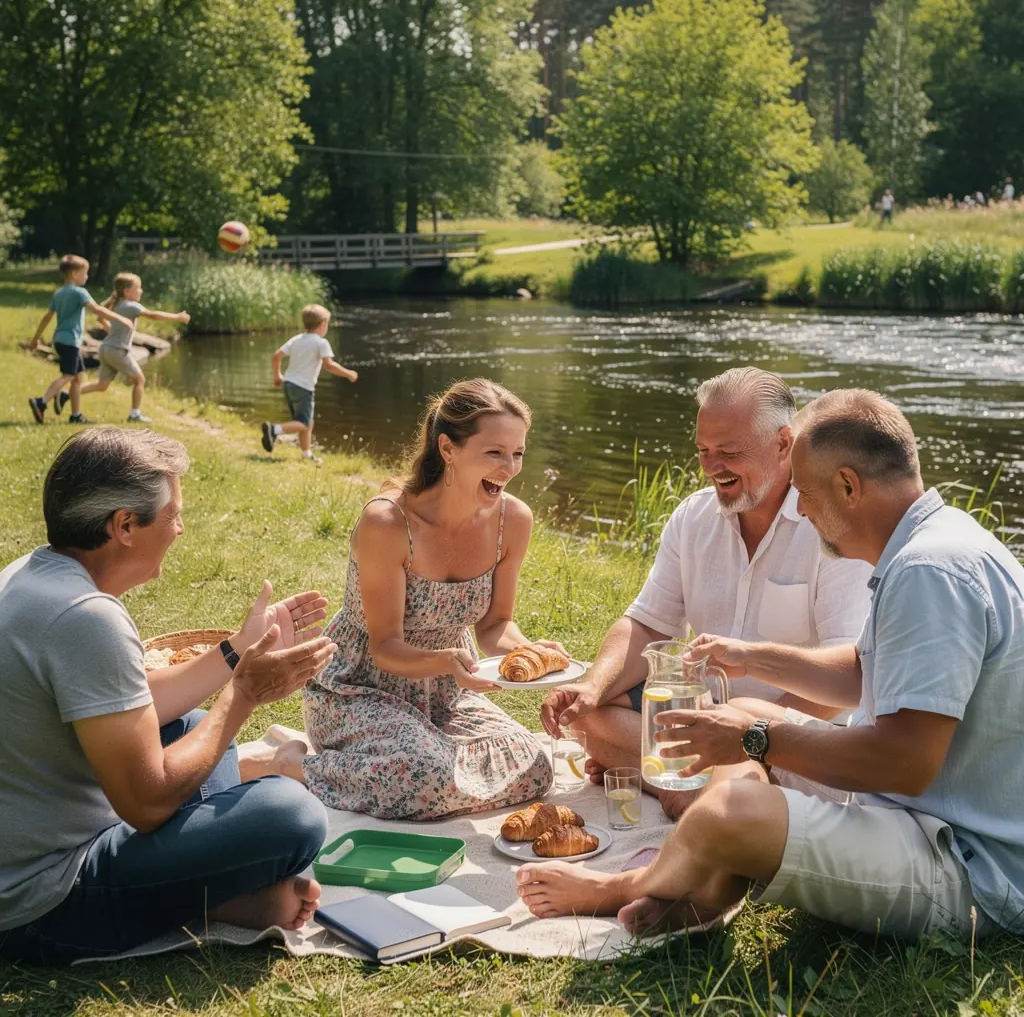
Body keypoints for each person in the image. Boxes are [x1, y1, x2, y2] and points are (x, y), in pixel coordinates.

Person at [517, 389, 1024, 944]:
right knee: (745, 711)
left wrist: (757, 739)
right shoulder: (933, 545)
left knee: (731, 805)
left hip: (968, 865)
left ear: (848, 486)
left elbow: (907, 762)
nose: (801, 508)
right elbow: (864, 674)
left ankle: (620, 886)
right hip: (916, 815)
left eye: (805, 492)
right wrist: (749, 656)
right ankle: (707, 886)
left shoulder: (928, 571)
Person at [0, 427, 338, 965]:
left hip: (34, 849)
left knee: (193, 730)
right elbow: (149, 804)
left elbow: (132, 705)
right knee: (291, 814)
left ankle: (218, 889)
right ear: (125, 525)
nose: (180, 529)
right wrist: (244, 696)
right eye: (173, 514)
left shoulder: (36, 575)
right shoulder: (86, 618)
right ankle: (221, 895)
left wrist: (237, 650)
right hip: (42, 902)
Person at [540, 368, 871, 818]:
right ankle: (701, 788)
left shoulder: (830, 529)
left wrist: (747, 737)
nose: (712, 466)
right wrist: (592, 688)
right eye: (703, 451)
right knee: (591, 715)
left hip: (788, 733)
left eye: (730, 452)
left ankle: (681, 781)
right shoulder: (693, 517)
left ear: (782, 444)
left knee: (627, 738)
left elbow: (843, 680)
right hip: (704, 716)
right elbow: (648, 622)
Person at [246, 379, 558, 819]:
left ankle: (415, 757)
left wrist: (528, 651)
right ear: (448, 448)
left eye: (517, 453)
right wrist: (447, 661)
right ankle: (292, 764)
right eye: (494, 453)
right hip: (360, 688)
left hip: (445, 694)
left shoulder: (513, 520)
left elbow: (494, 626)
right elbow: (385, 647)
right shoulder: (387, 523)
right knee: (425, 776)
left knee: (534, 765)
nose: (509, 468)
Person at [27, 255, 131, 425]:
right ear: (75, 274)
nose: (87, 276)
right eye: (85, 273)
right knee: (68, 375)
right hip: (70, 342)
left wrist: (35, 339)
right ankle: (41, 402)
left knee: (78, 378)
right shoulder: (79, 292)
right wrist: (121, 319)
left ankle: (75, 415)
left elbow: (47, 318)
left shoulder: (59, 293)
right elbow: (97, 309)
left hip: (60, 339)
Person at [77, 272, 191, 423]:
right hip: (117, 351)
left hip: (105, 348)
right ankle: (135, 414)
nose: (141, 291)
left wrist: (112, 331)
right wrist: (177, 317)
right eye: (138, 288)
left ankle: (68, 394)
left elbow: (100, 317)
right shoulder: (130, 306)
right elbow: (153, 315)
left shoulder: (116, 304)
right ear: (127, 291)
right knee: (139, 380)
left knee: (102, 385)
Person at [261, 304, 358, 465]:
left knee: (305, 421)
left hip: (288, 384)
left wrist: (277, 375)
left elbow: (276, 356)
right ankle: (274, 430)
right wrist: (349, 373)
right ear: (323, 325)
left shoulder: (297, 339)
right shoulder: (321, 343)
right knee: (304, 423)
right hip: (303, 388)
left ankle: (307, 454)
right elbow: (329, 365)